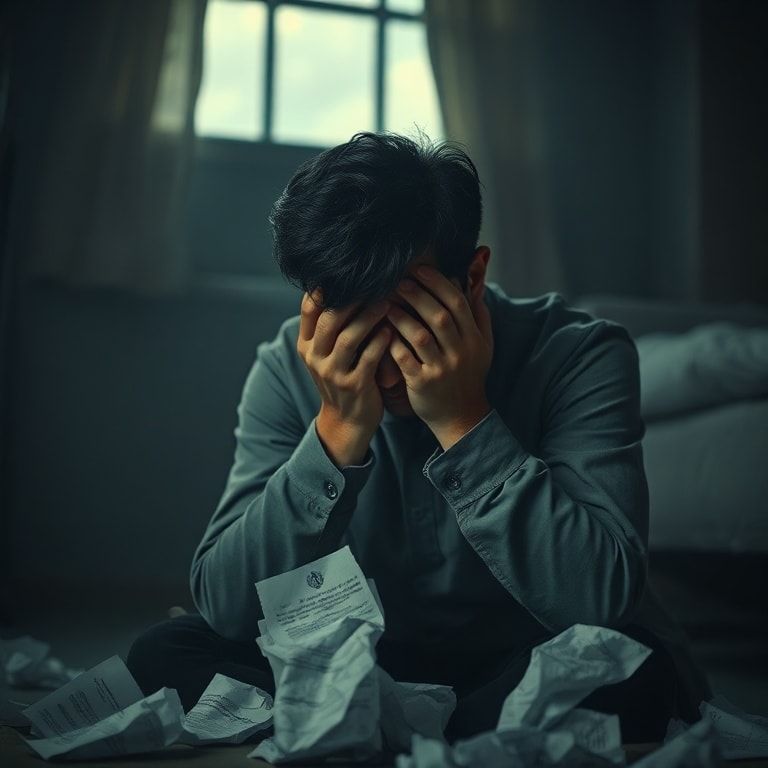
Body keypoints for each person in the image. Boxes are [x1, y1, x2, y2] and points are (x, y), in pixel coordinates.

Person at [127, 131, 709, 743]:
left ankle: (379, 736)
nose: (378, 365)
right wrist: (337, 431)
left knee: (631, 671)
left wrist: (465, 422)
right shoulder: (285, 368)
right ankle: (423, 734)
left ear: (472, 278)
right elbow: (225, 608)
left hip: (520, 660)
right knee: (166, 654)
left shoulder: (578, 355)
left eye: (406, 317)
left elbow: (599, 601)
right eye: (351, 322)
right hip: (360, 667)